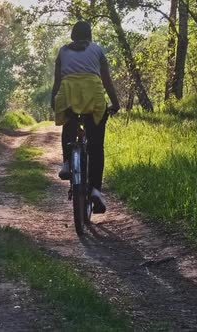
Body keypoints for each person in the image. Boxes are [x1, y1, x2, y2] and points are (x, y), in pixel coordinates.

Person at [51, 21, 120, 214]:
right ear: (89, 36)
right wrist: (116, 102)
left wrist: (53, 100)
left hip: (69, 94)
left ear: (72, 36)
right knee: (96, 147)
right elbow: (106, 80)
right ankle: (96, 190)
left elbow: (57, 82)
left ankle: (66, 163)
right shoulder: (97, 50)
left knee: (69, 123)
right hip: (93, 96)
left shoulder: (63, 52)